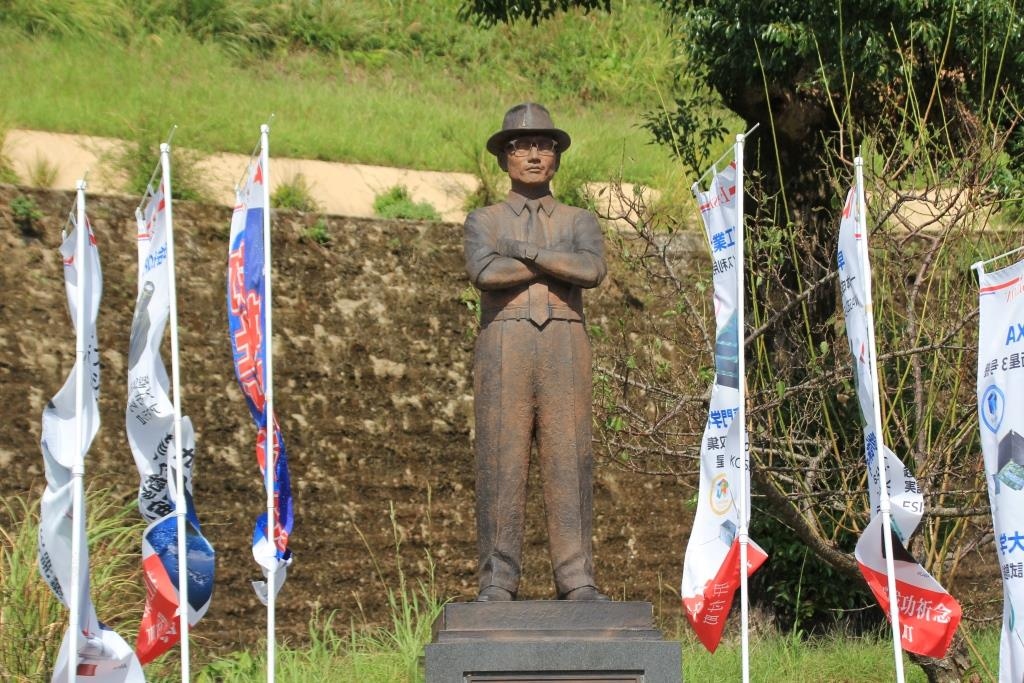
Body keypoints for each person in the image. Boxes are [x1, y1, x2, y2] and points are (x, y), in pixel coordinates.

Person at [464, 103, 608, 602]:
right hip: (504, 341)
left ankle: (576, 576)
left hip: (565, 341)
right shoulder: (484, 220)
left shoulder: (579, 219)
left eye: (543, 146)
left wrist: (527, 253)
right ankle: (497, 578)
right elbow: (486, 272)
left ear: (557, 158)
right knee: (500, 457)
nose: (532, 155)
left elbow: (591, 270)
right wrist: (555, 264)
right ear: (504, 157)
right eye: (521, 146)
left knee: (570, 456)